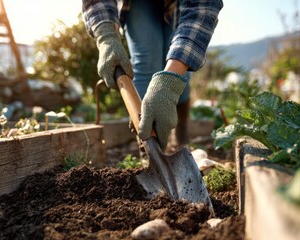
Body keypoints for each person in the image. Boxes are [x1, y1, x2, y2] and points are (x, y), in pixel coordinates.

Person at [82, 0, 223, 151]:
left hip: (179, 4)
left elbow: (203, 7)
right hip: (137, 3)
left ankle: (181, 126)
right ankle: (150, 146)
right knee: (146, 60)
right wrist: (106, 36)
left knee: (180, 69)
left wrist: (170, 81)